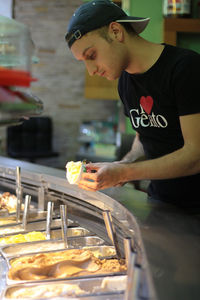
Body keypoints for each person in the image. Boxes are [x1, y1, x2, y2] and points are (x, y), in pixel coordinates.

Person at [65, 0, 200, 209]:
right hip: (161, 204)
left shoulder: (185, 69)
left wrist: (125, 172)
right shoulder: (126, 83)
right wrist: (121, 165)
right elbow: (144, 138)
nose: (91, 70)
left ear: (116, 32)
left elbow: (195, 156)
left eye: (91, 56)